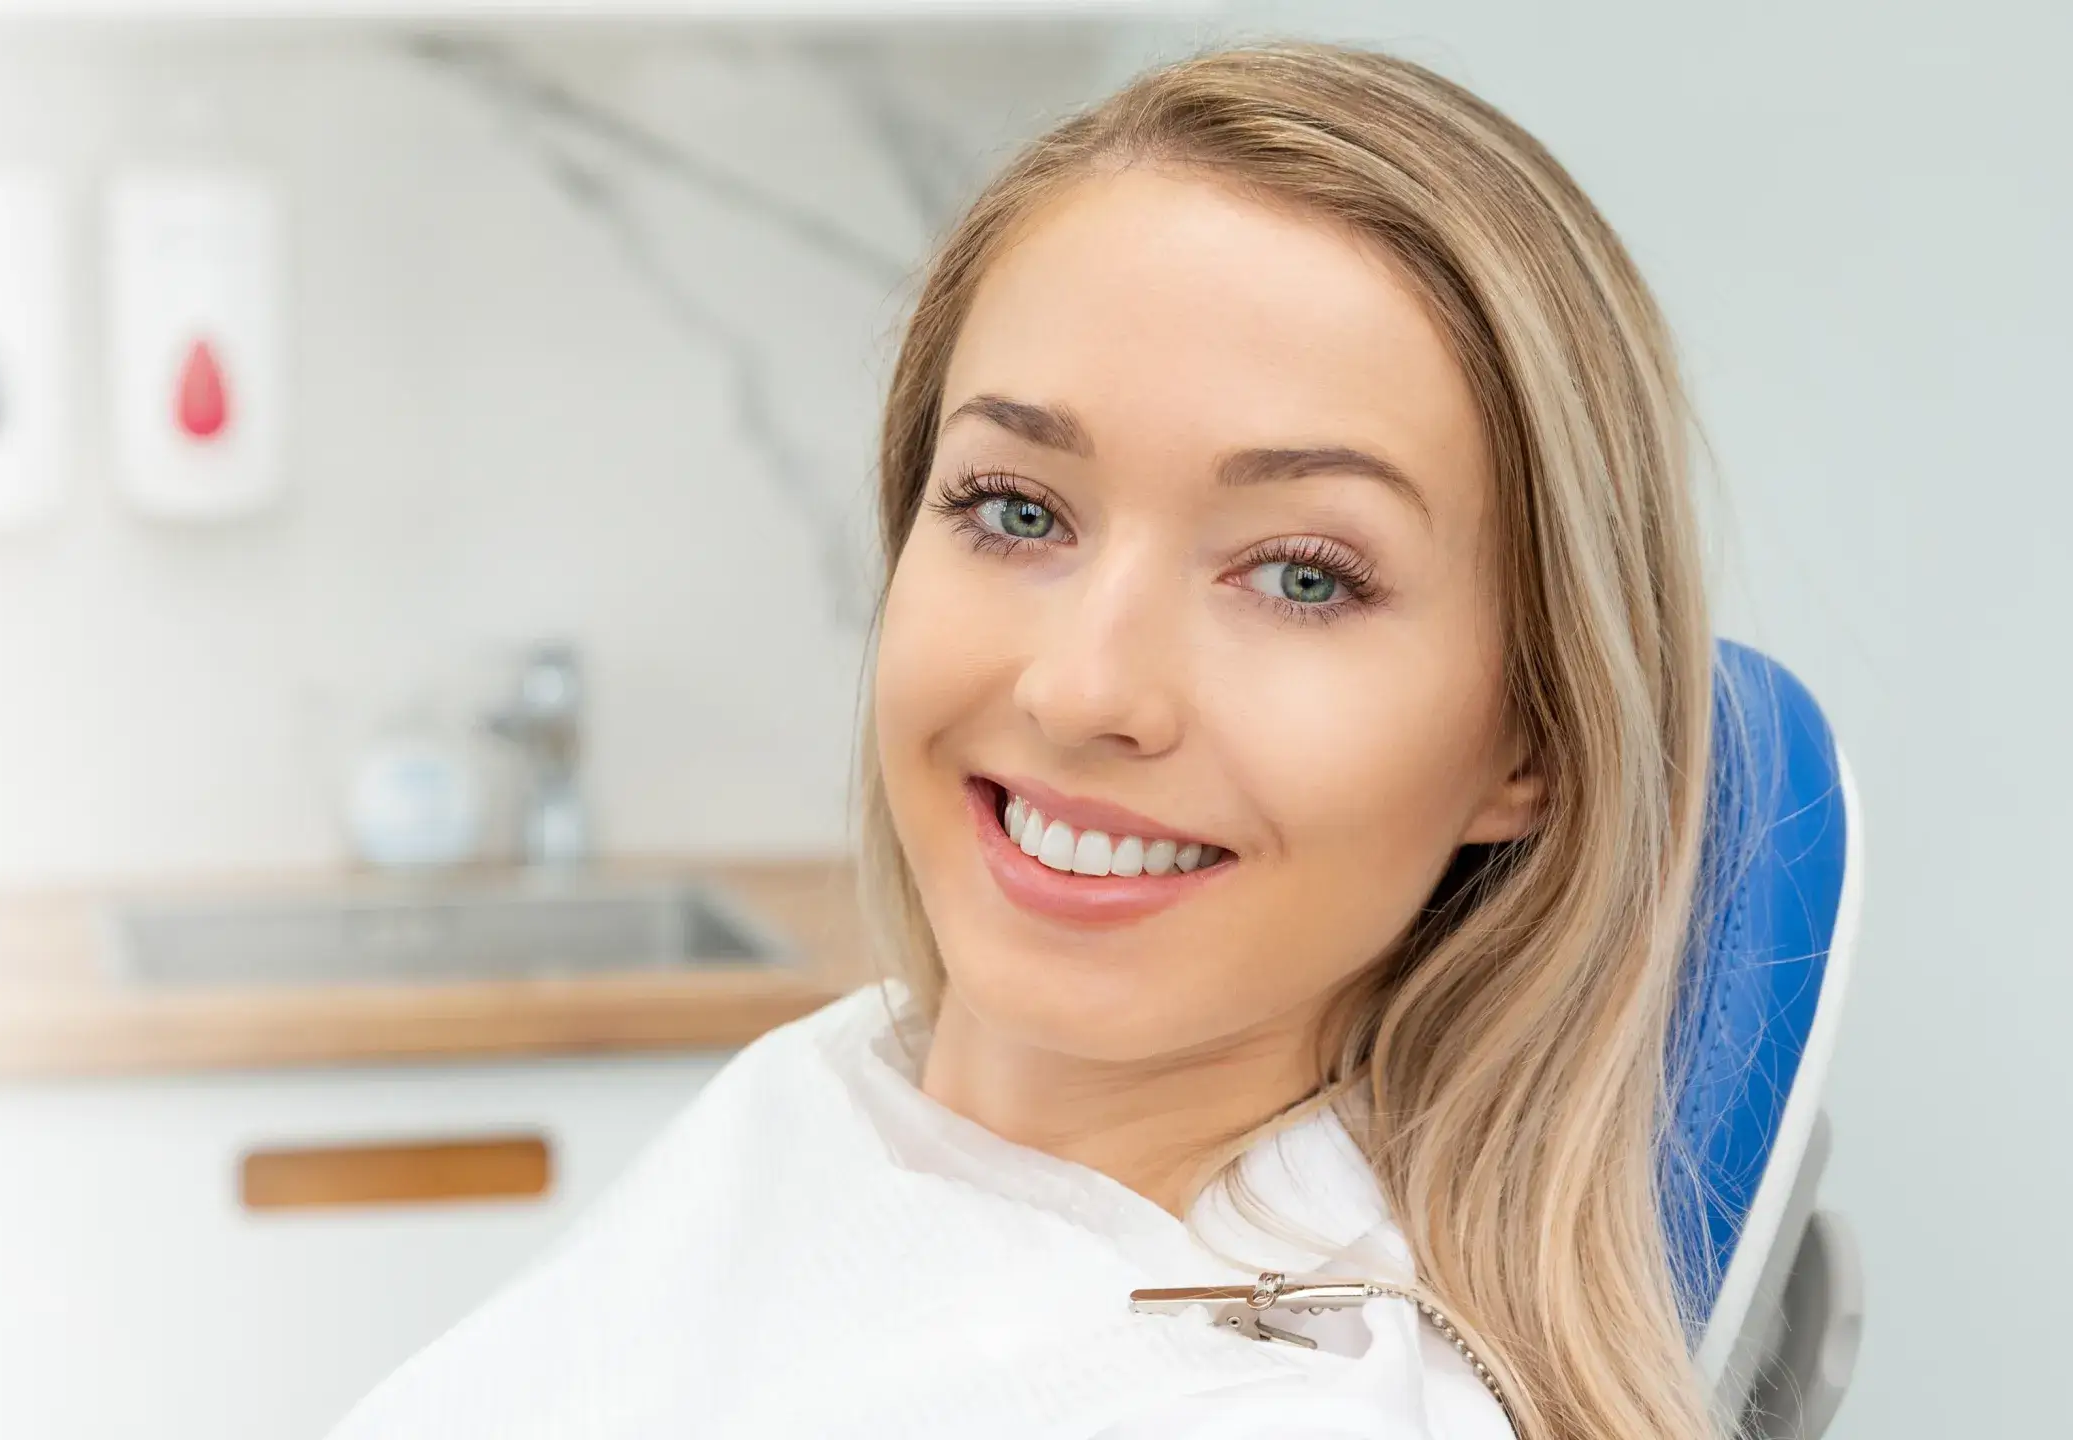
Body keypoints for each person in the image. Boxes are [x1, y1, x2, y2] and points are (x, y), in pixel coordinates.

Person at [329, 42, 1717, 1440]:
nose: (1081, 689)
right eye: (1017, 509)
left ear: (1528, 744)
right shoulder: (842, 1094)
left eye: (1304, 575)